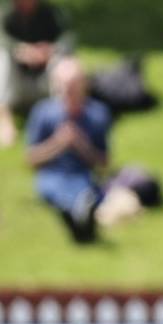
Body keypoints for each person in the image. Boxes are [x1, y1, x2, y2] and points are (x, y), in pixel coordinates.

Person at [25, 57, 111, 243]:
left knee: (86, 192)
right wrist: (58, 143)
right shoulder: (43, 112)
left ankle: (80, 217)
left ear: (83, 85)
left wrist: (81, 145)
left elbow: (104, 162)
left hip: (82, 174)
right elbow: (31, 160)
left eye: (72, 86)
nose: (67, 92)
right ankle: (78, 217)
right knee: (60, 192)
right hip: (52, 174)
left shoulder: (98, 114)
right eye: (62, 86)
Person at [0, 0, 67, 147]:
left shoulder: (50, 13)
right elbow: (2, 39)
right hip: (17, 84)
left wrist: (49, 50)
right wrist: (20, 49)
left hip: (45, 81)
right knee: (3, 56)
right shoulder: (6, 14)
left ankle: (60, 118)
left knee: (61, 58)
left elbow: (67, 38)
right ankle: (5, 119)